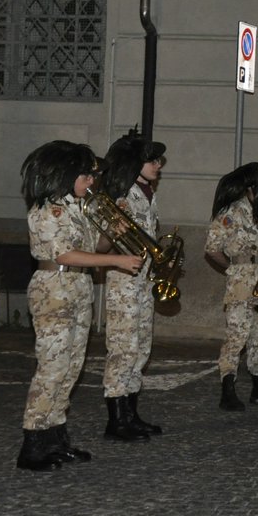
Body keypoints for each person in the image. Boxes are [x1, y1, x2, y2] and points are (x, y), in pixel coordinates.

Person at [16, 141, 141, 471]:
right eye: (85, 175)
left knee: (72, 367)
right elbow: (63, 254)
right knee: (52, 367)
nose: (91, 181)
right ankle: (32, 442)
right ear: (65, 174)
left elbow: (89, 247)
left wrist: (113, 234)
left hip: (78, 286)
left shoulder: (78, 208)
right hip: (54, 288)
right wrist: (116, 260)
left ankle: (55, 436)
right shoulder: (48, 210)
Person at [98, 131, 169, 442]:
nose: (158, 165)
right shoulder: (121, 195)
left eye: (159, 160)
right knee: (122, 349)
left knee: (141, 348)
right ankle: (116, 421)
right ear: (133, 163)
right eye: (152, 159)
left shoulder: (148, 193)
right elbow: (101, 246)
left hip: (144, 281)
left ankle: (131, 413)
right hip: (124, 283)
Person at [203, 162, 258, 412]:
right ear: (250, 188)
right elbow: (212, 248)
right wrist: (232, 268)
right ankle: (228, 387)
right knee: (237, 336)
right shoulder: (232, 212)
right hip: (241, 280)